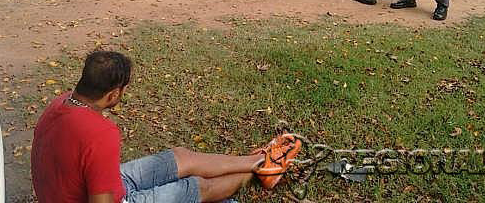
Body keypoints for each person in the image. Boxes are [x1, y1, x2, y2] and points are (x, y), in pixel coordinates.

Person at [31, 51, 302, 203]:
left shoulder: (60, 103)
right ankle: (264, 170)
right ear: (113, 95)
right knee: (197, 188)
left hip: (89, 187)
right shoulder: (101, 134)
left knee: (181, 157)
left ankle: (257, 160)